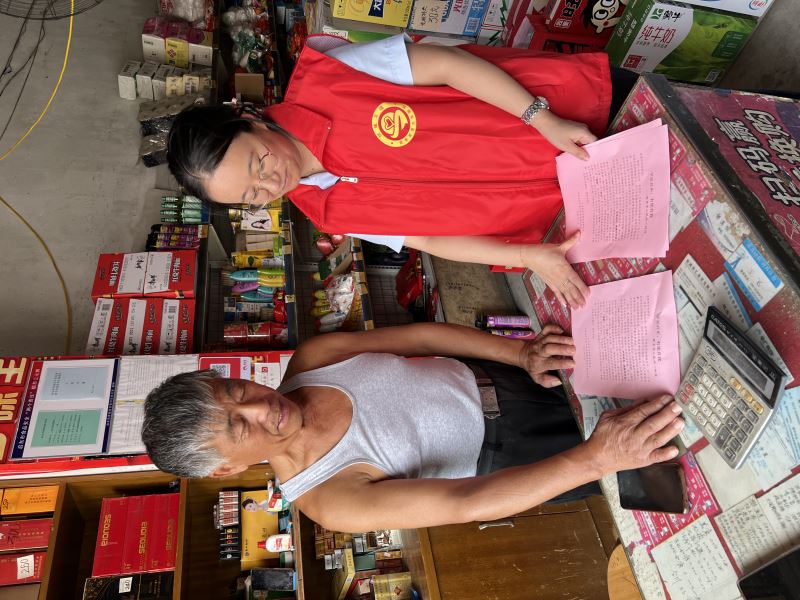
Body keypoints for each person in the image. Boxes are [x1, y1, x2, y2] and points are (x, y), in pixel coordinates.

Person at [167, 35, 639, 308]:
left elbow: (449, 65)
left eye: (258, 162)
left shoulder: (329, 79)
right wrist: (528, 257)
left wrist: (543, 119)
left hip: (571, 116)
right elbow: (428, 238)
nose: (270, 184)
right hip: (560, 206)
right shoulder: (328, 211)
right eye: (253, 195)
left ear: (248, 119)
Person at [142, 322, 684, 532]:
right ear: (227, 469)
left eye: (238, 393)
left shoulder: (313, 359)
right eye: (240, 428)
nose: (263, 409)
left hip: (510, 377)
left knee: (662, 362)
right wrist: (595, 458)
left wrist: (520, 353)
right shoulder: (328, 499)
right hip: (525, 457)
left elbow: (421, 339)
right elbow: (466, 502)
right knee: (669, 444)